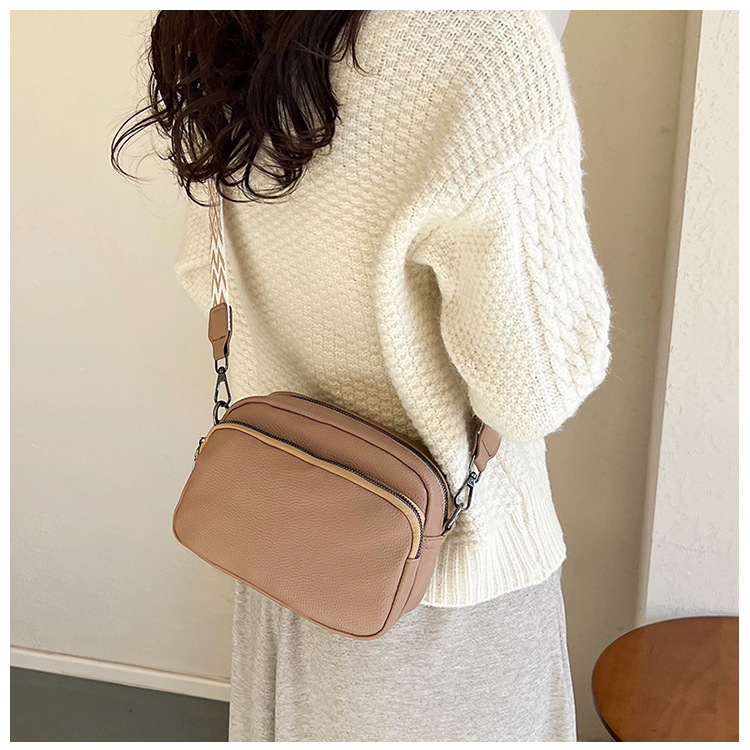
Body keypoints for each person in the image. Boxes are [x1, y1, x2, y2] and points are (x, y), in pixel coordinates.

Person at [113, 10, 611, 742]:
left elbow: (205, 269)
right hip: (443, 586)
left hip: (278, 536)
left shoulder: (223, 20)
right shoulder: (483, 37)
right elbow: (535, 386)